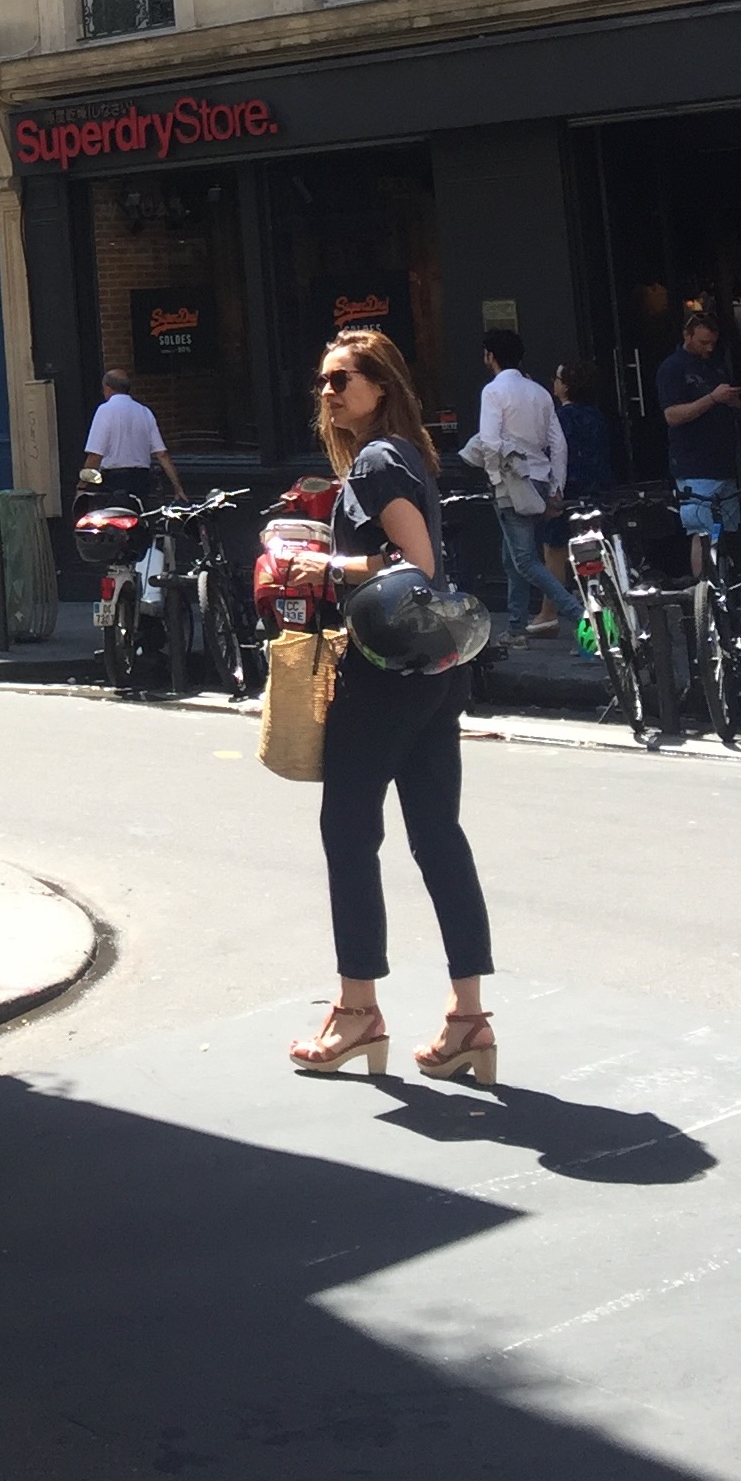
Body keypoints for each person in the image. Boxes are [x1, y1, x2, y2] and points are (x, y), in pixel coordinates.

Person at [275, 330, 496, 1087]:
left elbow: (416, 566)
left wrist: (323, 562)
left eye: (344, 380)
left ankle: (356, 1009)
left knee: (348, 832)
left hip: (384, 673)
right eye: (324, 382)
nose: (329, 393)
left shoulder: (376, 460)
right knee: (437, 836)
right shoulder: (408, 454)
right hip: (432, 671)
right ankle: (467, 1018)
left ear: (381, 385)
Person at [466, 327, 582, 640]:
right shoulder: (540, 392)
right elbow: (558, 444)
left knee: (525, 560)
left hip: (510, 482)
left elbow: (490, 441)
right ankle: (516, 627)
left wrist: (493, 478)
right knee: (512, 556)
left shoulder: (493, 391)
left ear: (490, 356)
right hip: (542, 480)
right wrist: (557, 485)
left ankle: (582, 617)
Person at [656, 307, 741, 575]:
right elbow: (672, 415)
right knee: (701, 531)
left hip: (723, 460)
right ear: (688, 335)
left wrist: (733, 400)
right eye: (703, 342)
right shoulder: (672, 368)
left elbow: (735, 407)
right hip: (693, 463)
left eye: (712, 343)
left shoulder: (716, 365)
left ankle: (724, 590)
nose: (708, 348)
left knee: (726, 529)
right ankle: (704, 593)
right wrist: (713, 399)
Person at [550, 360, 614, 602]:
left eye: (557, 379)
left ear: (566, 387)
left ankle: (554, 607)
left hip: (570, 490)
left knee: (554, 548)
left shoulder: (562, 418)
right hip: (597, 488)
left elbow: (558, 455)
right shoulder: (596, 416)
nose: (553, 384)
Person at [81, 367, 187, 507]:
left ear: (107, 388)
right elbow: (162, 454)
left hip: (113, 481)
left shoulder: (104, 411)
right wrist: (177, 487)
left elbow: (95, 456)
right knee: (139, 520)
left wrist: (82, 486)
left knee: (113, 522)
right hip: (141, 480)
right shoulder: (144, 411)